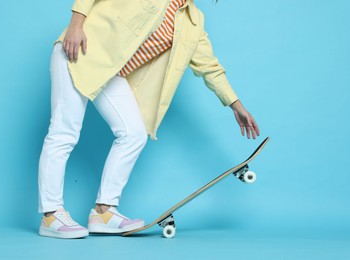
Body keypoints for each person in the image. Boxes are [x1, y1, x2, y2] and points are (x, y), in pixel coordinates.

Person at [38, 0, 260, 239]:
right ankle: (51, 215)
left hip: (110, 71)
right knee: (64, 132)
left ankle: (104, 212)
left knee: (133, 132)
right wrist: (75, 24)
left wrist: (236, 105)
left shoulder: (193, 23)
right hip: (78, 48)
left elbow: (210, 67)